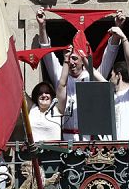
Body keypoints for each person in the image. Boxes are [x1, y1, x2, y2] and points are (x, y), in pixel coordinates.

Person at [37, 10, 91, 141]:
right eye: (69, 58)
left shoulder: (91, 76)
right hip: (66, 139)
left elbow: (109, 57)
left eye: (74, 58)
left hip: (90, 140)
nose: (71, 62)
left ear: (82, 59)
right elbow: (47, 54)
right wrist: (42, 26)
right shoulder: (60, 74)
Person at [106, 26, 129, 141]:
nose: (109, 79)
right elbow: (96, 77)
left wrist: (124, 39)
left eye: (111, 75)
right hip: (108, 153)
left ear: (118, 75)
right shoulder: (110, 96)